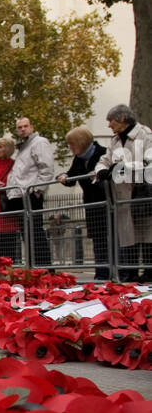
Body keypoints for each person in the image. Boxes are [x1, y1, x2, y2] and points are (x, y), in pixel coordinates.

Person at [94, 104, 152, 282]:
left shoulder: (145, 134)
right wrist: (101, 170)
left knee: (147, 233)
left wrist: (123, 167)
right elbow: (104, 160)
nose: (109, 125)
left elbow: (149, 160)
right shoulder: (114, 141)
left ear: (122, 119)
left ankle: (149, 271)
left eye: (111, 121)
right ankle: (130, 272)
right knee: (128, 237)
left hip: (140, 192)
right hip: (122, 196)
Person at [58, 127, 108, 279]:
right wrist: (64, 176)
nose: (70, 148)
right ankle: (101, 273)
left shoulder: (102, 153)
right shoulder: (79, 158)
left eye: (72, 144)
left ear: (80, 143)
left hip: (105, 202)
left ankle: (115, 271)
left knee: (109, 237)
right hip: (91, 203)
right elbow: (72, 175)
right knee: (98, 238)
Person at [5, 117, 55, 266]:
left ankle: (43, 267)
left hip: (29, 194)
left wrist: (38, 190)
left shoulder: (39, 143)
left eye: (25, 126)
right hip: (20, 194)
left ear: (31, 127)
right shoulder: (23, 147)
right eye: (19, 127)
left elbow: (46, 168)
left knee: (35, 233)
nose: (22, 129)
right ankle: (36, 265)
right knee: (27, 234)